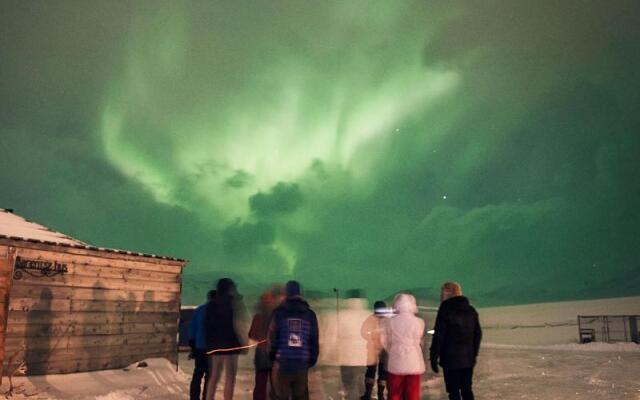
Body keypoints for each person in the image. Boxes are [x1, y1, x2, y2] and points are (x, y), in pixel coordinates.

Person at [429, 282, 482, 400]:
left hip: (450, 358)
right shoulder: (471, 310)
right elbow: (477, 333)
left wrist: (434, 355)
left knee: (453, 391)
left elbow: (439, 334)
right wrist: (473, 353)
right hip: (467, 358)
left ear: (447, 293)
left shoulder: (445, 309)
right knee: (466, 389)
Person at [269, 280, 319, 400]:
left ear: (287, 294)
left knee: (281, 396)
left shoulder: (279, 313)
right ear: (299, 294)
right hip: (302, 363)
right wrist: (311, 359)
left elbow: (272, 337)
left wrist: (272, 356)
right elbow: (314, 339)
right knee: (300, 395)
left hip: (283, 363)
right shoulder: (309, 314)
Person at [205, 278, 248, 400]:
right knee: (230, 377)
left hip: (215, 346)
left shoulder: (211, 305)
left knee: (214, 376)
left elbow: (207, 326)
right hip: (231, 345)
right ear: (230, 288)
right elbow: (239, 324)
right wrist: (244, 343)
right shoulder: (234, 303)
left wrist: (209, 343)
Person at [382, 293, 425, 400]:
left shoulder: (391, 322)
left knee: (395, 392)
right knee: (412, 393)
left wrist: (392, 350)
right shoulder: (419, 322)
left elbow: (385, 341)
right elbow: (419, 340)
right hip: (413, 361)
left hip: (396, 361)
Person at [249, 286, 285, 400]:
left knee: (260, 381)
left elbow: (251, 335)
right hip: (274, 352)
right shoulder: (277, 317)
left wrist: (261, 338)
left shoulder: (258, 317)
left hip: (260, 351)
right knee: (275, 383)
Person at [360, 300, 389, 400]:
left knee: (371, 371)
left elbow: (363, 332)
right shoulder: (387, 320)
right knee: (383, 372)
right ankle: (380, 394)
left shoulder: (370, 319)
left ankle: (368, 393)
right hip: (384, 350)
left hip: (373, 349)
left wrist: (370, 338)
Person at [190, 290, 216, 400]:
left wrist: (192, 345)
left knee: (198, 374)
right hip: (213, 349)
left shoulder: (199, 310)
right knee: (209, 377)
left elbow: (192, 329)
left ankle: (194, 398)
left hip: (199, 347)